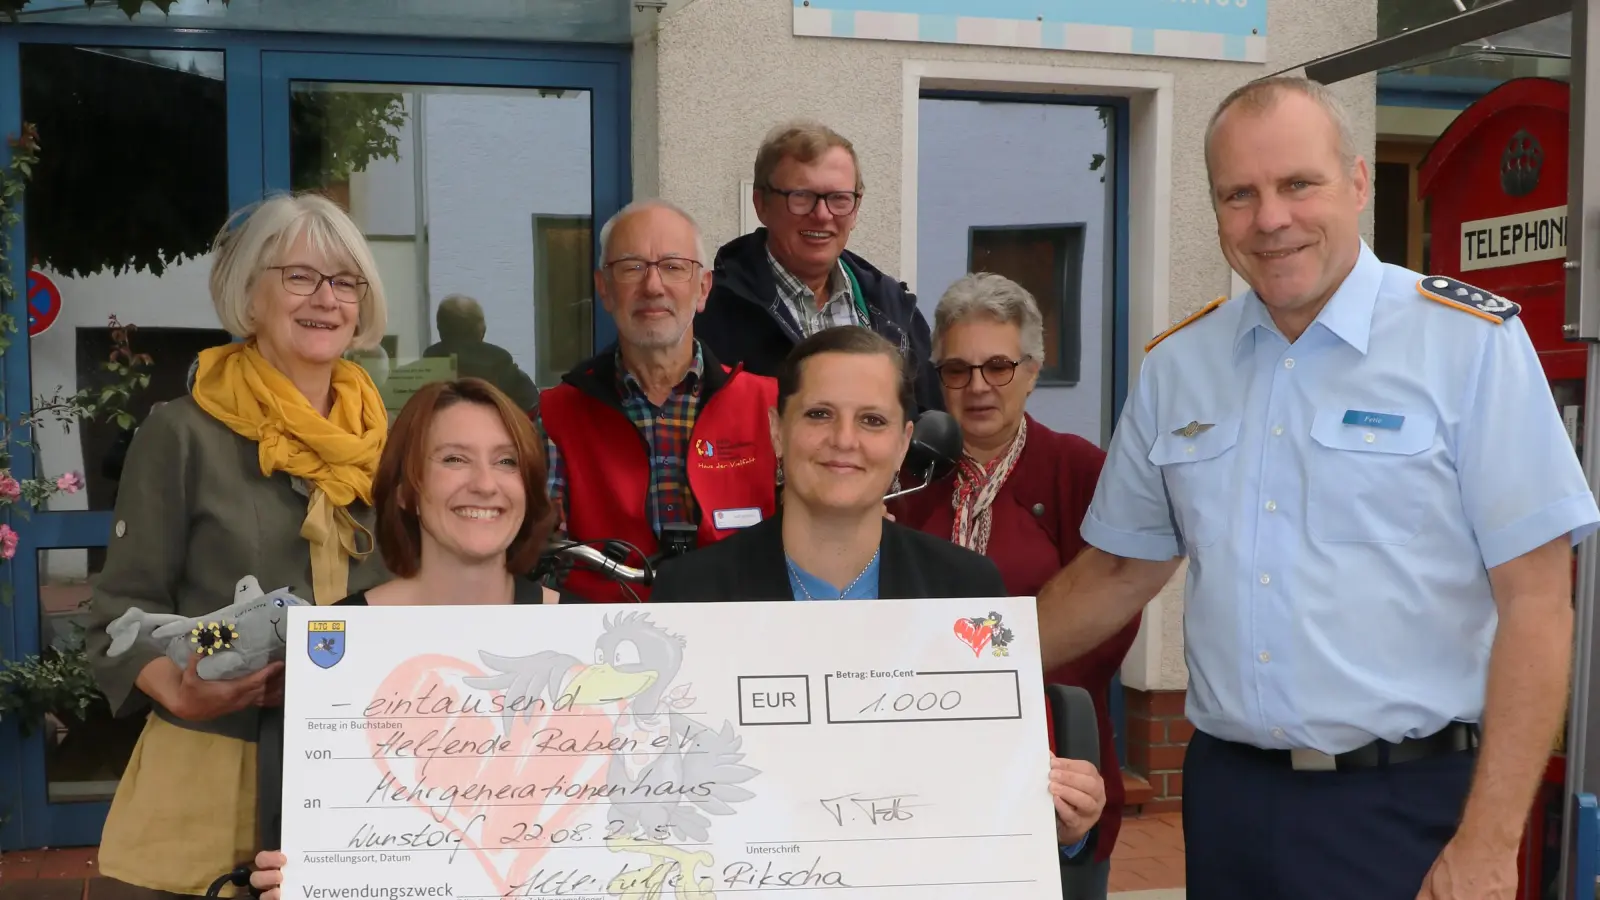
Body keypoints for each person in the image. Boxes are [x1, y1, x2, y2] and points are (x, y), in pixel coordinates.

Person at [1033, 75, 1600, 900]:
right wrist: (950, 667)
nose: (1271, 219)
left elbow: (1540, 604)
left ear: (1359, 183)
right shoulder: (1179, 367)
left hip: (1406, 807)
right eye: (1240, 194)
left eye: (1299, 184)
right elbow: (1120, 570)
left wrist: (1488, 840)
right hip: (1229, 799)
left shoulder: (1469, 345)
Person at [650, 325, 1106, 862]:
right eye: (819, 414)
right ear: (776, 431)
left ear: (902, 443)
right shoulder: (692, 595)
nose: (844, 439)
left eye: (872, 420)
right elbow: (658, 796)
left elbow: (1011, 780)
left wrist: (1063, 820)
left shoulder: (967, 591)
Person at [82, 191, 393, 898]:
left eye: (345, 282)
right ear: (251, 294)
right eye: (300, 277)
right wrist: (186, 697)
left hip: (357, 772)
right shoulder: (182, 433)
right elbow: (120, 617)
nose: (326, 298)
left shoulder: (389, 442)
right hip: (216, 770)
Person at [246, 376, 578, 900]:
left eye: (507, 461)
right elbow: (299, 824)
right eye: (453, 459)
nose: (486, 484)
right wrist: (289, 876)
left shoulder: (588, 638)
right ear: (406, 488)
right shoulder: (332, 647)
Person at [887, 272, 1139, 899]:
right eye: (957, 369)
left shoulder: (1080, 470)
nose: (977, 386)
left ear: (1033, 368)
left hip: (1049, 765)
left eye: (997, 366)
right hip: (916, 763)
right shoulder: (902, 472)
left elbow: (1109, 612)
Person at [537, 199, 779, 604]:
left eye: (673, 266)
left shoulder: (772, 406)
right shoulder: (556, 417)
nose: (653, 286)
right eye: (632, 267)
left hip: (744, 643)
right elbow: (538, 552)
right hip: (608, 649)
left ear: (703, 289)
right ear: (604, 290)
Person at [697, 120, 944, 413]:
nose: (822, 215)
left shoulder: (895, 312)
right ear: (760, 204)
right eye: (801, 197)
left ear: (856, 208)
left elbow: (927, 427)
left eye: (839, 198)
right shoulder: (710, 313)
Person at [421, 293, 541, 414]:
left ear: (440, 328)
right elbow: (531, 407)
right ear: (480, 329)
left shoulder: (427, 364)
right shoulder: (501, 363)